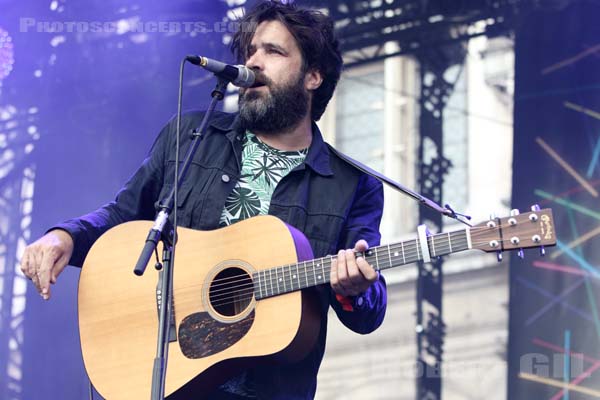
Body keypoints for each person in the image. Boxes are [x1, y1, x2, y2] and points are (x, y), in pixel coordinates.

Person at [21, 1, 387, 399]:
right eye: (252, 51)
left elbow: (369, 311)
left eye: (274, 52)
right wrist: (65, 237)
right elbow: (125, 215)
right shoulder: (191, 134)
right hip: (170, 375)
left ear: (313, 77)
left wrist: (355, 291)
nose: (254, 62)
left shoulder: (355, 184)